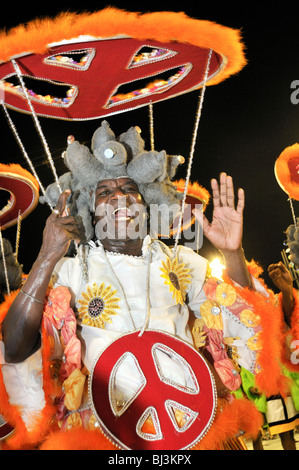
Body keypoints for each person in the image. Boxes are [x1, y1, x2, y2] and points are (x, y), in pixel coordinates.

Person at [1, 122, 266, 449]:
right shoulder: (69, 272)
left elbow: (247, 318)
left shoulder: (179, 261)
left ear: (146, 204)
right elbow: (14, 347)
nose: (120, 199)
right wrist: (46, 256)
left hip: (188, 425)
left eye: (129, 190)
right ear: (91, 214)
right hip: (107, 434)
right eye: (105, 192)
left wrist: (232, 253)